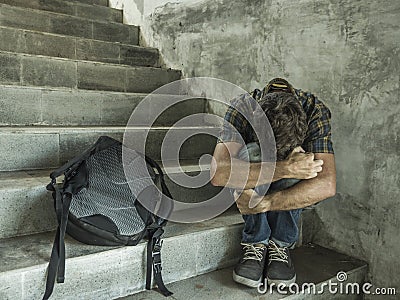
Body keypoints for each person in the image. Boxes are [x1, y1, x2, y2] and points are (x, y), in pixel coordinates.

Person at [210, 78, 336, 288]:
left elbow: (327, 184)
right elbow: (218, 173)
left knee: (306, 160)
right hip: (252, 184)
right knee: (250, 153)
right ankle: (256, 241)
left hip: (280, 188)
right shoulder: (242, 107)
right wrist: (285, 167)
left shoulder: (314, 110)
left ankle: (280, 245)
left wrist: (267, 202)